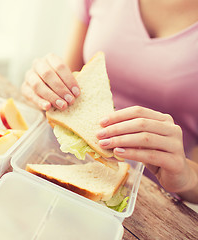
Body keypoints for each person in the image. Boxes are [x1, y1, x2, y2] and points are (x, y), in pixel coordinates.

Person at [21, 0, 198, 203]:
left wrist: (187, 178)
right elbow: (69, 87)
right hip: (63, 161)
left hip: (156, 201)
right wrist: (45, 87)